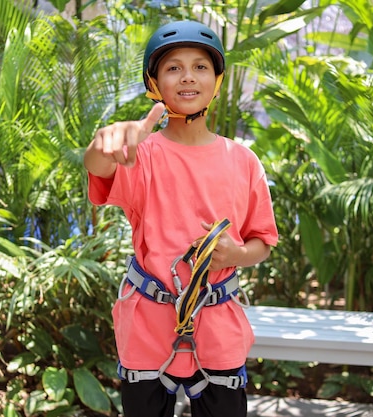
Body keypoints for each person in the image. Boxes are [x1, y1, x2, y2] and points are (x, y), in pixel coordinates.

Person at [83, 20, 279, 417]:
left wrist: (235, 256)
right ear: (154, 83)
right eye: (173, 67)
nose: (187, 77)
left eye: (200, 66)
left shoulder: (243, 161)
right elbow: (99, 167)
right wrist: (106, 141)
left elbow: (262, 240)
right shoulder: (143, 153)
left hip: (218, 325)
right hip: (148, 325)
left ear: (216, 80)